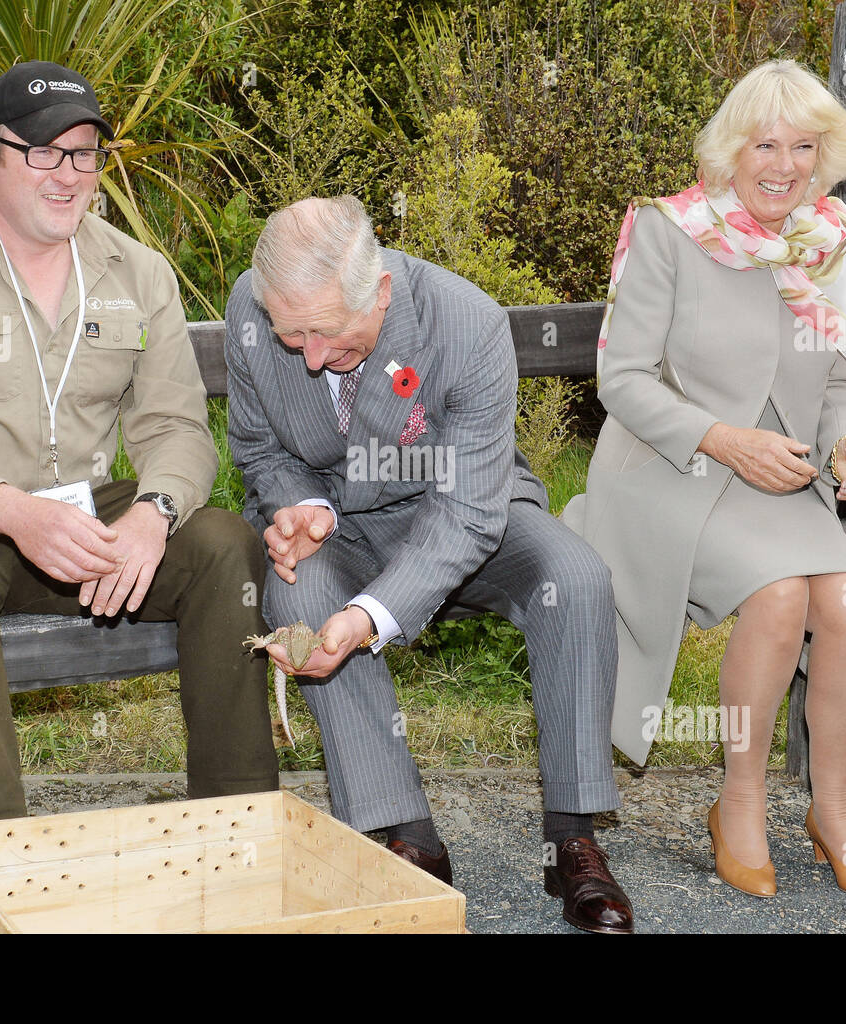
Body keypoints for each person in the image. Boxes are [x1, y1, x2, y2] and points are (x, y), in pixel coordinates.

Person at [0, 61, 279, 826]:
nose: (67, 175)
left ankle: (237, 835)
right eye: (43, 152)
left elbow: (177, 428)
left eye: (84, 154)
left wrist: (153, 511)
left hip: (80, 529)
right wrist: (6, 509)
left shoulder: (137, 273)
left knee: (218, 541)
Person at [563, 59, 846, 900]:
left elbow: (845, 381)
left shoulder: (832, 244)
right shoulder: (669, 230)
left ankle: (833, 810)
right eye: (764, 144)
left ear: (825, 153)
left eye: (802, 146)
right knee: (780, 597)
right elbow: (621, 380)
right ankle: (738, 803)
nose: (782, 164)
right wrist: (728, 441)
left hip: (779, 480)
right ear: (731, 149)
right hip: (673, 467)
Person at [225, 195, 634, 933]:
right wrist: (300, 507)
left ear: (379, 291)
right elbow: (260, 449)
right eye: (293, 336)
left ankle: (572, 837)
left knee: (573, 579)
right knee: (297, 596)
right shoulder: (253, 311)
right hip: (339, 523)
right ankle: (408, 837)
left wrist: (370, 615)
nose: (310, 356)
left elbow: (469, 514)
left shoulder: (466, 324)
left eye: (325, 332)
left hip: (464, 509)